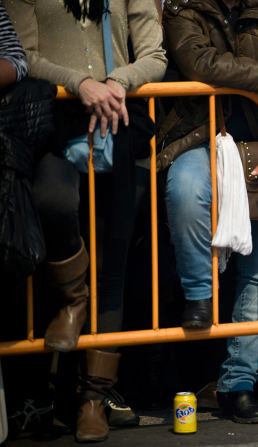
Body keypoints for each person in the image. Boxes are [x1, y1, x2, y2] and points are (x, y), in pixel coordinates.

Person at [6, 0, 167, 442]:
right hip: (53, 127)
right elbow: (23, 54)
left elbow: (154, 54)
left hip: (117, 126)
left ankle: (94, 399)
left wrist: (116, 81)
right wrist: (81, 84)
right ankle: (74, 300)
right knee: (52, 203)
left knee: (112, 267)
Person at [160, 0, 258, 423]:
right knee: (185, 191)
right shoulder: (183, 6)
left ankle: (239, 385)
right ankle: (199, 294)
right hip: (198, 137)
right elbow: (198, 61)